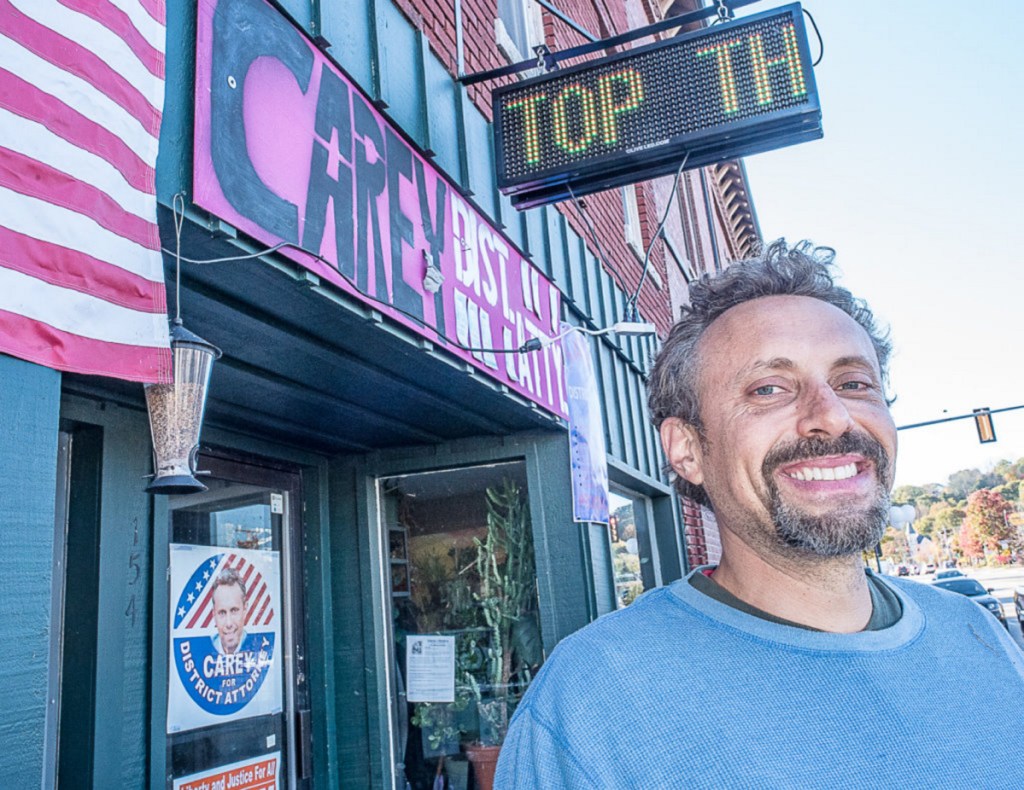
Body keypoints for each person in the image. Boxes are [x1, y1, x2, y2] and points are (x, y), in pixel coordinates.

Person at [495, 241, 1024, 788]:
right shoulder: (590, 702)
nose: (833, 416)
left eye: (854, 384)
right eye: (769, 389)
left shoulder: (979, 635)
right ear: (687, 450)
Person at [210, 567, 249, 655]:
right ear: (214, 615)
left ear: (245, 609)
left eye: (234, 610)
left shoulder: (256, 644)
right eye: (222, 612)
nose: (229, 624)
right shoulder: (203, 650)